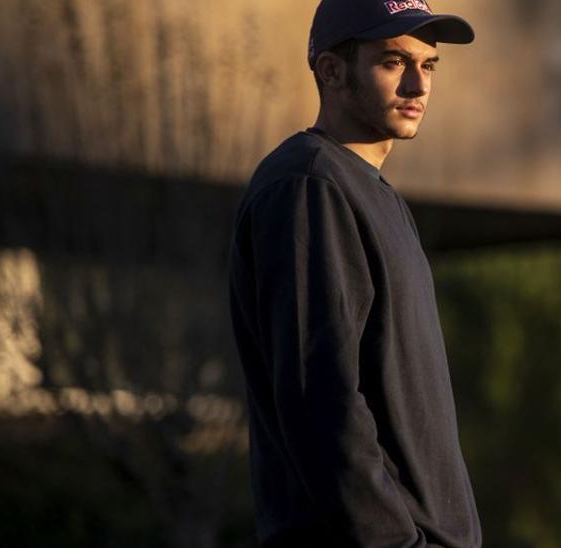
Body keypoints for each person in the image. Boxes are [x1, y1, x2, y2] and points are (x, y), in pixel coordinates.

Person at [226, 1, 480, 546]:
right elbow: (321, 400)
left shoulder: (372, 194)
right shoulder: (309, 185)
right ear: (331, 71)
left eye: (429, 65)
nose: (418, 85)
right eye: (394, 61)